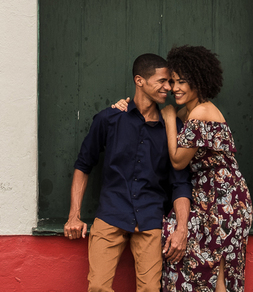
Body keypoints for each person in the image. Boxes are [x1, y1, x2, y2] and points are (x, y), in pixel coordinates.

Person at [114, 45, 252, 292]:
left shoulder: (201, 112)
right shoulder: (186, 112)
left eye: (182, 82)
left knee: (219, 268)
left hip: (224, 199)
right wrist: (124, 105)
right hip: (203, 196)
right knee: (194, 262)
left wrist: (168, 119)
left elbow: (178, 161)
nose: (175, 88)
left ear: (198, 82)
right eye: (173, 81)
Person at [65, 53, 192, 292]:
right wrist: (74, 215)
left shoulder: (172, 127)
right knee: (98, 288)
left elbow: (181, 182)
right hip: (111, 213)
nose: (169, 87)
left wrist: (181, 229)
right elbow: (84, 164)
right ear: (139, 80)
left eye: (170, 82)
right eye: (162, 81)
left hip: (150, 218)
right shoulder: (110, 118)